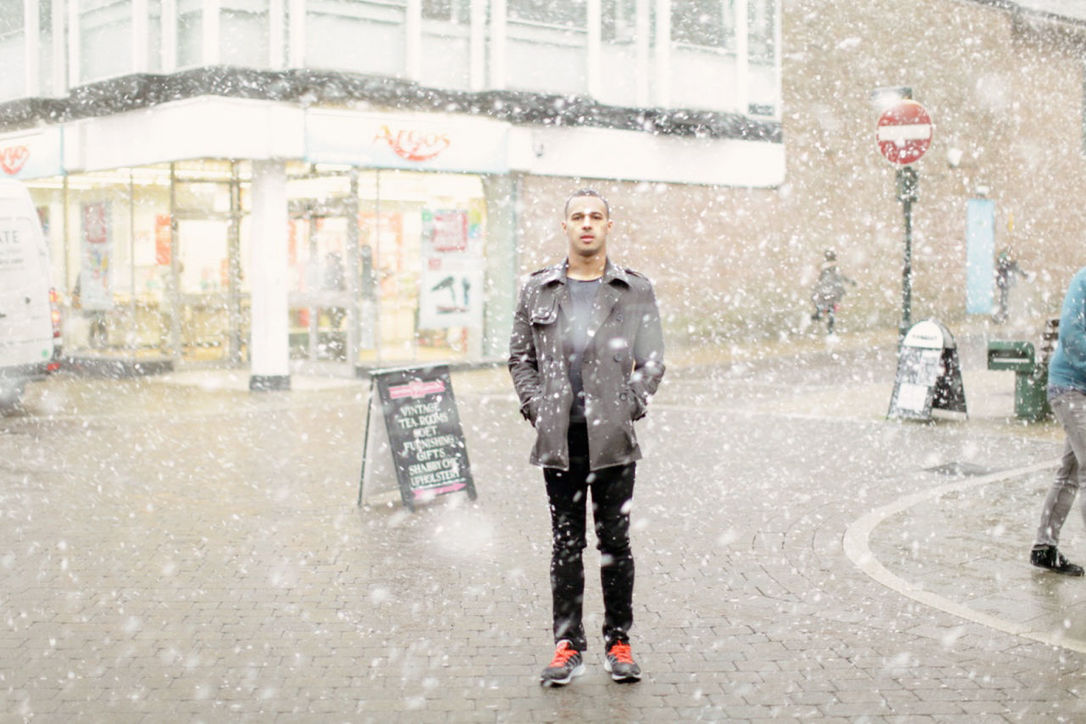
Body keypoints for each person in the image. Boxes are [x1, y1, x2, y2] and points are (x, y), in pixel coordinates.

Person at [508, 189, 665, 687]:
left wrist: (629, 405)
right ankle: (567, 644)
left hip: (613, 439)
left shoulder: (632, 289)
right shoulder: (538, 289)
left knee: (615, 543)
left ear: (608, 226)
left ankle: (618, 641)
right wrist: (537, 408)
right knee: (566, 545)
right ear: (565, 227)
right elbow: (520, 359)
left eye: (596, 216)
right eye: (577, 216)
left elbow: (653, 359)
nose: (587, 224)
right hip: (561, 439)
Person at [1030, 267, 1086, 576]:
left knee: (1070, 471)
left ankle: (1044, 548)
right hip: (1069, 387)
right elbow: (1071, 336)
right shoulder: (1084, 280)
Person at [809, 248, 856, 334]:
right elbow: (842, 277)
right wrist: (851, 282)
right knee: (831, 309)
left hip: (825, 290)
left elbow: (820, 279)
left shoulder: (824, 267)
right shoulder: (834, 267)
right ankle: (829, 327)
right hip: (833, 290)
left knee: (823, 304)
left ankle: (819, 314)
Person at [993, 247, 1029, 324]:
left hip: (1004, 283)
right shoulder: (1007, 262)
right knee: (1003, 299)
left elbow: (1012, 268)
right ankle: (1003, 315)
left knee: (1003, 299)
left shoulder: (1006, 262)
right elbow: (1013, 268)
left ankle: (1003, 315)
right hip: (1004, 283)